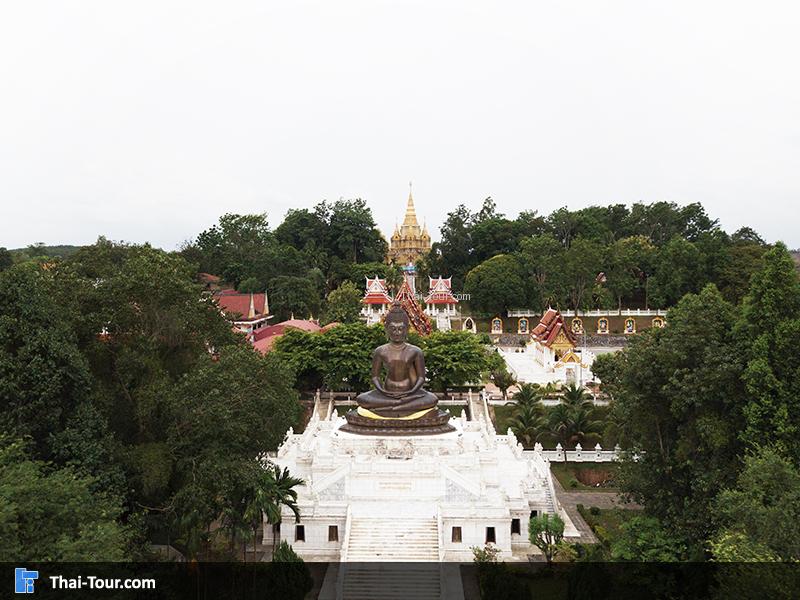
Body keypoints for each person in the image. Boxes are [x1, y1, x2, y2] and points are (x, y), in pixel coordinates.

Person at [355, 303, 438, 417]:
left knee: (432, 399)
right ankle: (400, 407)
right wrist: (382, 390)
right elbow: (375, 376)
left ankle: (392, 408)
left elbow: (421, 377)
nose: (397, 332)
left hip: (410, 394)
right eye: (393, 329)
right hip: (386, 393)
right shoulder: (380, 351)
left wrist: (412, 391)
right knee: (362, 399)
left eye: (400, 329)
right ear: (387, 329)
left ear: (407, 329)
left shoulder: (415, 351)